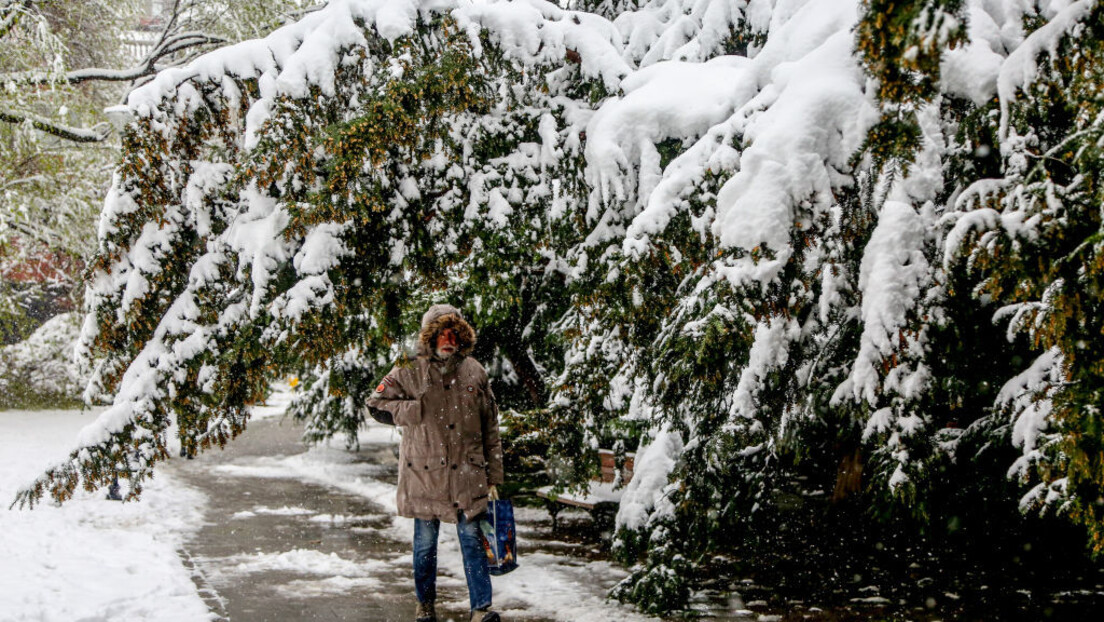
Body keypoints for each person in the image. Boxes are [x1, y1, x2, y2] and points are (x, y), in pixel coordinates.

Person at [365, 304, 504, 622]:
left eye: (454, 332)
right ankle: (425, 605)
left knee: (473, 541)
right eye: (441, 332)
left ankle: (481, 610)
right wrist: (413, 410)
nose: (448, 338)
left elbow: (490, 428)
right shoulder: (408, 370)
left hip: (467, 474)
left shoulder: (475, 371)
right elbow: (376, 404)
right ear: (429, 336)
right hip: (424, 474)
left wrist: (494, 476)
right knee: (425, 545)